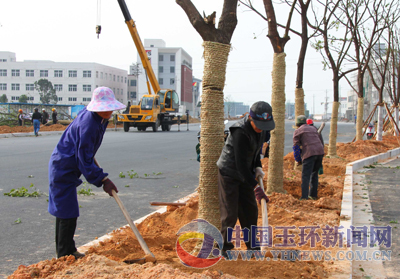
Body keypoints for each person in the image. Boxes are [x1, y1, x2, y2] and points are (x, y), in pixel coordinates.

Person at [48, 87, 126, 259]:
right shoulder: (89, 124)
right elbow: (84, 159)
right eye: (103, 108)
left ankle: (66, 251)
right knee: (67, 211)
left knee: (65, 211)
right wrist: (103, 180)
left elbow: (86, 152)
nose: (107, 111)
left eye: (109, 108)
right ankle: (65, 254)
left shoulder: (100, 119)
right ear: (96, 107)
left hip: (70, 164)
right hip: (63, 166)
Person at [217, 101, 274, 257]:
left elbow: (255, 152)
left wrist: (258, 166)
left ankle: (252, 246)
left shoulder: (262, 130)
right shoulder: (240, 131)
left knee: (250, 210)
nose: (260, 128)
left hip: (246, 172)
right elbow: (240, 163)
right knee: (230, 213)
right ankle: (225, 248)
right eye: (258, 124)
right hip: (229, 172)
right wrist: (256, 187)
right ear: (250, 118)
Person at [293, 115, 324, 200]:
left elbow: (296, 148)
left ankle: (304, 197)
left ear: (297, 124)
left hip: (309, 153)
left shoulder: (298, 131)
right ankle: (313, 195)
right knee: (314, 174)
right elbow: (320, 141)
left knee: (305, 176)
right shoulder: (313, 128)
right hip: (320, 152)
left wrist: (298, 160)